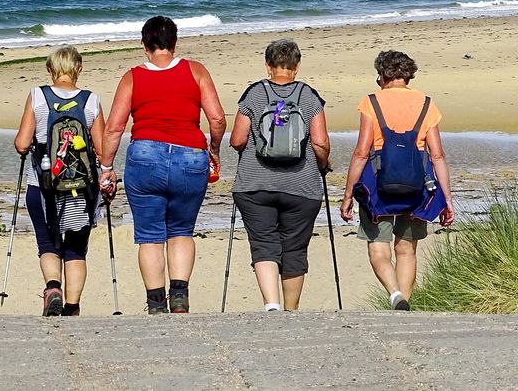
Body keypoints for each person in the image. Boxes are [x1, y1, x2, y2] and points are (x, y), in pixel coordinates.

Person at [102, 16, 226, 314]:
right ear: (175, 43)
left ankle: (156, 302)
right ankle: (180, 296)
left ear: (145, 46)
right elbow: (218, 119)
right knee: (182, 230)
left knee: (149, 235)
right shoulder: (195, 71)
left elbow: (114, 128)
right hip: (189, 155)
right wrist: (214, 149)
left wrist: (106, 166)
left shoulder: (133, 77)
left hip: (145, 155)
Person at [339, 50, 455, 311]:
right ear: (408, 75)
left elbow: (361, 152)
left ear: (382, 75)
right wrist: (446, 199)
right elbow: (437, 154)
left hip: (378, 185)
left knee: (378, 249)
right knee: (407, 250)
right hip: (417, 184)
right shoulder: (426, 103)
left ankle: (394, 295)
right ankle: (404, 305)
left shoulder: (372, 102)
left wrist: (347, 195)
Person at [229, 39, 331, 311]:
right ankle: (290, 309)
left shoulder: (253, 94)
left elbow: (237, 140)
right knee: (295, 248)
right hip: (302, 185)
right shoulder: (310, 97)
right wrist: (323, 164)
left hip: (254, 184)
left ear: (268, 66)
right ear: (296, 67)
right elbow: (320, 143)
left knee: (264, 244)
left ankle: (271, 304)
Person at [12, 46, 109, 316]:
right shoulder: (91, 100)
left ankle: (53, 288)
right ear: (79, 69)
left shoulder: (36, 96)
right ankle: (72, 307)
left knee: (47, 244)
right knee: (76, 250)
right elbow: (101, 150)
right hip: (82, 188)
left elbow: (21, 144)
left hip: (42, 186)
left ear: (50, 70)